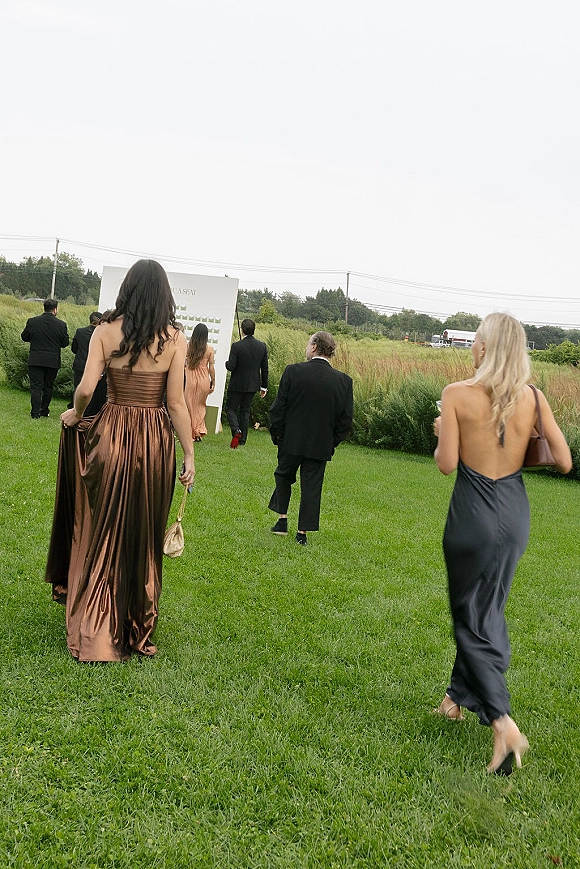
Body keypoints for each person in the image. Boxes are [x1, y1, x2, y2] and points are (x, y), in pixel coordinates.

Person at [433, 312, 572, 774]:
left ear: (486, 348)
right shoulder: (533, 398)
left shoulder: (457, 394)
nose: (472, 348)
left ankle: (502, 722)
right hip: (514, 514)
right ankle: (456, 698)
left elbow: (447, 465)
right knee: (486, 608)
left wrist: (439, 437)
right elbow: (566, 461)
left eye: (475, 341)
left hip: (472, 514)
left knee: (468, 617)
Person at [45, 259, 195, 662]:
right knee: (143, 532)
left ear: (126, 289)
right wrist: (190, 453)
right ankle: (135, 621)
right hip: (155, 443)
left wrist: (77, 415)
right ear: (164, 294)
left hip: (110, 434)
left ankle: (95, 619)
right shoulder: (175, 339)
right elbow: (176, 403)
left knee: (102, 527)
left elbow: (86, 387)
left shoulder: (105, 332)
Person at [268, 331, 353, 545]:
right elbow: (345, 420)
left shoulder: (293, 372)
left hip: (290, 440)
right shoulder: (343, 381)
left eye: (308, 344)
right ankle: (302, 533)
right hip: (320, 444)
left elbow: (279, 408)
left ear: (314, 346)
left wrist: (277, 434)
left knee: (283, 476)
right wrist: (331, 442)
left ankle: (282, 519)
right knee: (312, 487)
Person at [21, 298, 69, 418]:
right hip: (52, 360)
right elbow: (65, 343)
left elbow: (24, 337)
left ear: (44, 308)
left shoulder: (32, 321)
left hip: (36, 359)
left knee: (36, 387)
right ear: (55, 309)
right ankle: (44, 410)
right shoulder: (61, 325)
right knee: (48, 386)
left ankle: (35, 413)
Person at [225, 318, 268, 448]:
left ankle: (236, 429)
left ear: (242, 331)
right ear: (253, 330)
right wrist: (264, 386)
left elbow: (231, 366)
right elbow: (264, 368)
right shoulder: (262, 346)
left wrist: (226, 363)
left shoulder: (236, 346)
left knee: (230, 408)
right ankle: (242, 440)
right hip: (252, 385)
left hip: (237, 384)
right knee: (245, 411)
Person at [184, 323, 215, 440]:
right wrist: (213, 381)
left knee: (189, 406)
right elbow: (211, 368)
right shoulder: (210, 349)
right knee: (200, 406)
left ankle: (189, 431)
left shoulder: (188, 347)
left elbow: (183, 363)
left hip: (190, 378)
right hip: (203, 380)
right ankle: (198, 431)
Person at [67, 311, 104, 412]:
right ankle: (91, 410)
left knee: (78, 387)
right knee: (95, 390)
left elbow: (74, 348)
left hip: (80, 363)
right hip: (96, 366)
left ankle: (76, 408)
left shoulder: (80, 331)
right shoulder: (101, 334)